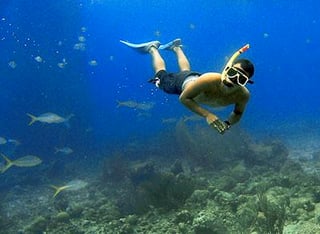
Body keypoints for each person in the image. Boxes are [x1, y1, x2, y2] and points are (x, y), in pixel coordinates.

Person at [120, 38, 254, 134]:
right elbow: (184, 98)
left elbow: (237, 113)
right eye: (232, 73)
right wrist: (207, 115)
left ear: (246, 83)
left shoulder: (243, 95)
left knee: (186, 71)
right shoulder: (210, 79)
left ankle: (176, 48)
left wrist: (228, 124)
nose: (232, 80)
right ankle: (152, 48)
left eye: (241, 79)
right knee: (160, 77)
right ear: (226, 70)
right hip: (182, 85)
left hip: (194, 80)